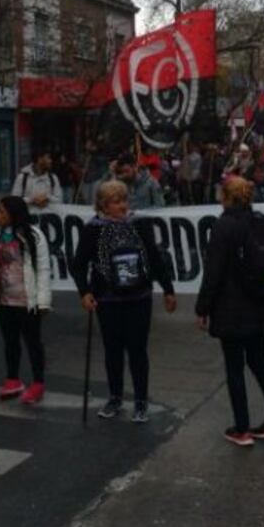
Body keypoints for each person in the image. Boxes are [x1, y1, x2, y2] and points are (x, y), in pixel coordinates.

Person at [195, 176, 264, 446]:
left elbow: (213, 273)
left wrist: (202, 308)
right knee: (259, 362)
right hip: (260, 304)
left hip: (232, 309)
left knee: (234, 367)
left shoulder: (223, 226)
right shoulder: (263, 222)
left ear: (226, 196)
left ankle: (241, 428)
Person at [71, 180, 176, 423]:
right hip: (107, 300)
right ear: (103, 206)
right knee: (113, 351)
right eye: (116, 202)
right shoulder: (93, 229)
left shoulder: (139, 224)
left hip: (139, 297)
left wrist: (168, 290)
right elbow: (78, 265)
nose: (122, 206)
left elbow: (154, 257)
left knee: (138, 350)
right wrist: (84, 292)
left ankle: (141, 401)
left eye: (124, 200)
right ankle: (115, 397)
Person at [0, 196, 52, 404]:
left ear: (14, 213)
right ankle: (13, 379)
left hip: (27, 300)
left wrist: (43, 301)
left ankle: (38, 382)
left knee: (33, 343)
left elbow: (44, 269)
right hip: (3, 299)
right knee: (10, 342)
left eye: (2, 211)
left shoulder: (34, 236)